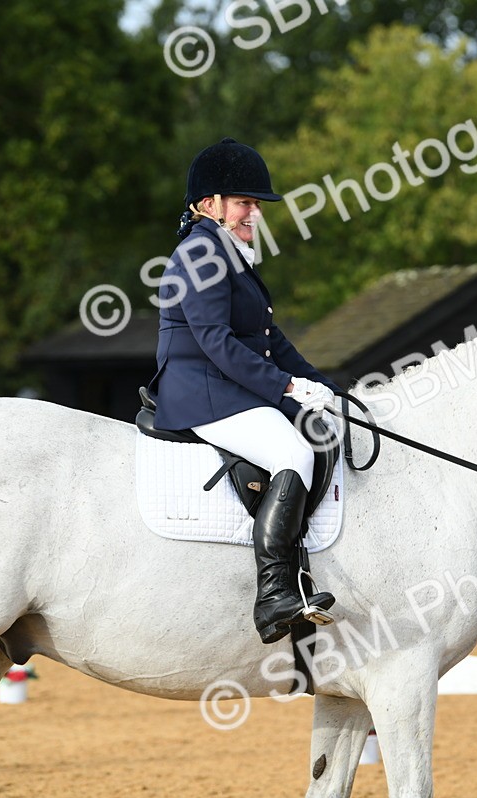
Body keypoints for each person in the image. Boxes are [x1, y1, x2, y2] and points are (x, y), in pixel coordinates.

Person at [149, 137, 339, 644]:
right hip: (202, 389)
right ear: (209, 204)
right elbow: (215, 342)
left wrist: (327, 388)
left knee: (317, 430)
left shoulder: (228, 253)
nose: (254, 213)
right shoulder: (200, 253)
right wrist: (287, 387)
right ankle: (275, 592)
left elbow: (271, 339)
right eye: (245, 203)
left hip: (226, 385)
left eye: (256, 204)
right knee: (293, 450)